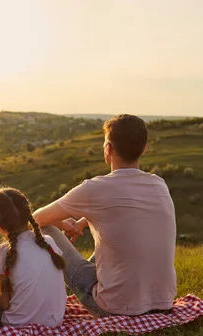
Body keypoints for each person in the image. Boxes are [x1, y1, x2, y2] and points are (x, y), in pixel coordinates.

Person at [33, 114, 177, 317]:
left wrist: (65, 225)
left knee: (45, 228)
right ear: (143, 148)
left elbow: (36, 218)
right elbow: (123, 214)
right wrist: (84, 221)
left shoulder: (95, 188)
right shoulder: (158, 184)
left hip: (113, 308)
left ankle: (42, 293)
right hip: (163, 303)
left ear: (108, 148)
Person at [0, 187, 66, 327]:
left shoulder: (2, 251)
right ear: (28, 212)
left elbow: (4, 302)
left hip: (18, 324)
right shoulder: (48, 241)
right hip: (55, 320)